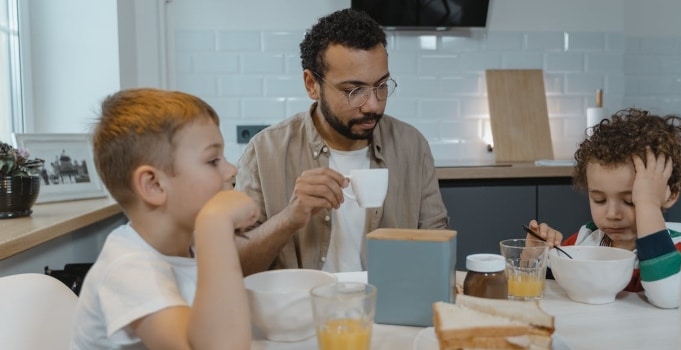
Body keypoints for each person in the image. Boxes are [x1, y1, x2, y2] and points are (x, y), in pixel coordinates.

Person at [235, 8, 448, 274]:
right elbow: (236, 266)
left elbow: (438, 250)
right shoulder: (265, 152)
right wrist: (289, 218)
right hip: (301, 312)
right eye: (353, 91)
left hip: (387, 312)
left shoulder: (411, 147)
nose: (372, 105)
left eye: (381, 85)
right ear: (312, 84)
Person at [71, 88, 258, 349]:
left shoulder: (187, 245)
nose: (231, 170)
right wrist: (214, 223)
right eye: (213, 160)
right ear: (154, 185)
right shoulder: (128, 268)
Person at [528, 108, 681, 309]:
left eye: (632, 201)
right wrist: (534, 255)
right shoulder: (586, 240)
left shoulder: (680, 250)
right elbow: (549, 284)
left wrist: (648, 204)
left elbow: (667, 296)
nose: (612, 214)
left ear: (671, 194)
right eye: (599, 200)